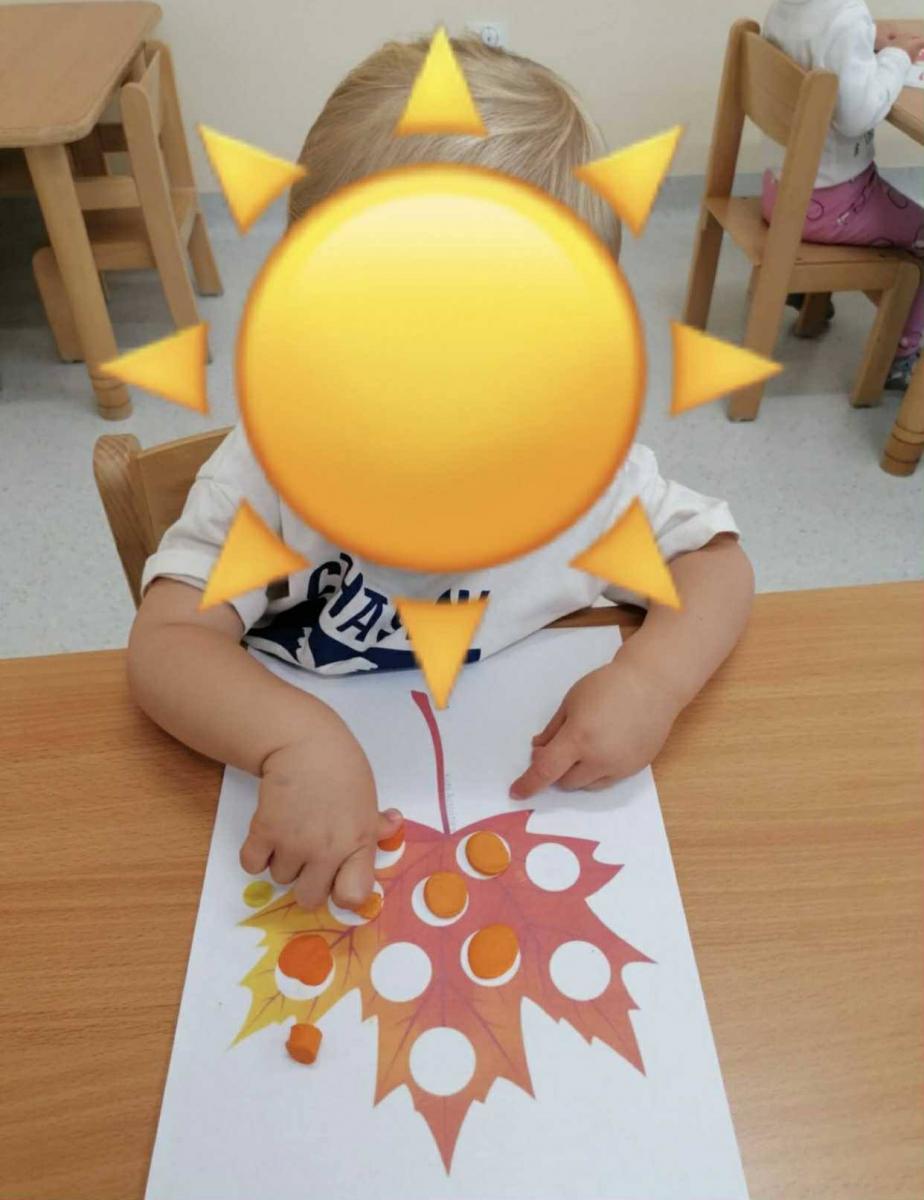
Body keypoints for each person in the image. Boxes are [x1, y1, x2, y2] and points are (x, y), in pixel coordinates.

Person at [128, 36, 754, 913]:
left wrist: (654, 681)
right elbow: (166, 644)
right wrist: (291, 741)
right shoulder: (271, 477)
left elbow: (714, 562)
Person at [762, 0, 924, 389]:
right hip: (834, 205)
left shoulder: (786, 8)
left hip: (781, 192)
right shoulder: (846, 17)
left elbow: (821, 44)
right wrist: (897, 58)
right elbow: (856, 117)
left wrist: (870, 37)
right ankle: (901, 355)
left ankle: (808, 296)